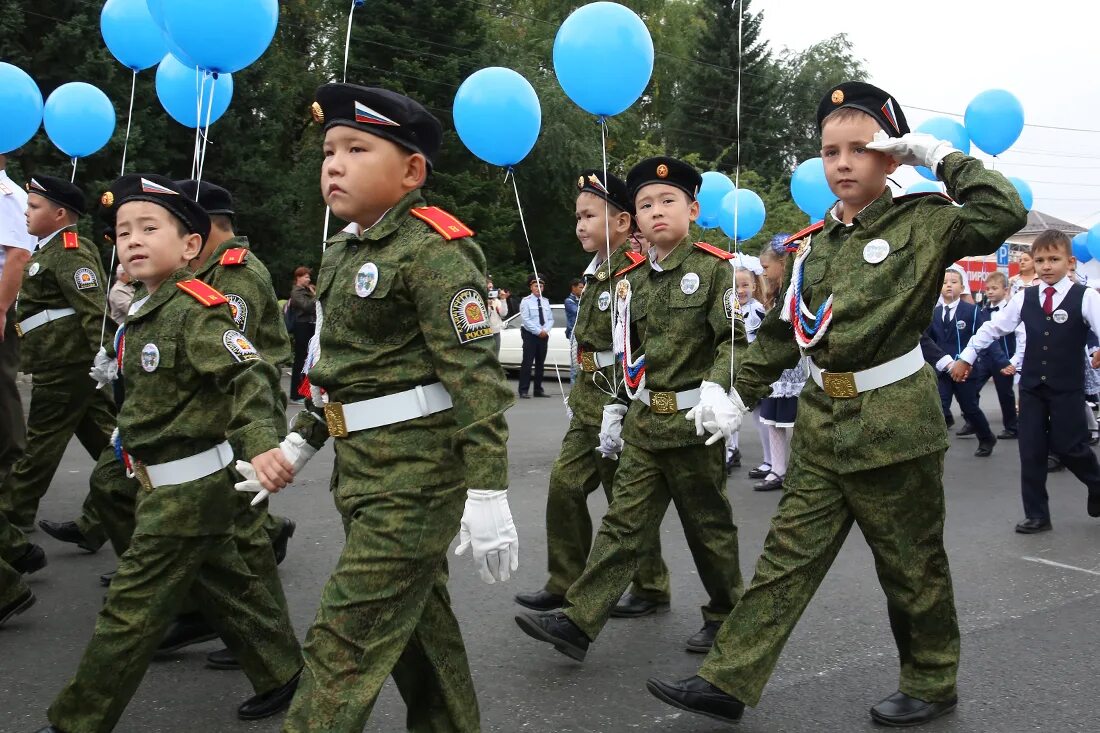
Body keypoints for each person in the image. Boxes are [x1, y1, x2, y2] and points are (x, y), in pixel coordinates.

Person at [645, 81, 1026, 728]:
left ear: (891, 156)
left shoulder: (926, 221)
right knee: (785, 558)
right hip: (824, 423)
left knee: (912, 567)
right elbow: (780, 337)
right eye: (830, 150)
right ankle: (728, 678)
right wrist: (729, 390)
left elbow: (1004, 211)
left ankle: (932, 680)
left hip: (894, 424)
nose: (842, 162)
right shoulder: (813, 245)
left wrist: (934, 154)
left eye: (860, 148)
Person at [235, 83, 515, 732]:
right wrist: (299, 443)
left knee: (342, 642)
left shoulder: (435, 250)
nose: (334, 162)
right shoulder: (339, 256)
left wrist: (489, 487)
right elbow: (340, 374)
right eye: (329, 149)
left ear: (411, 171)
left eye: (357, 148)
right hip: (361, 475)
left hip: (417, 478)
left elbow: (475, 376)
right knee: (421, 638)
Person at [37, 174, 304, 733]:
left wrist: (261, 447)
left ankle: (75, 722)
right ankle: (282, 673)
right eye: (122, 231)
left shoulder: (196, 309)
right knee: (228, 583)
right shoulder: (145, 307)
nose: (131, 240)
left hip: (183, 493)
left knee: (128, 614)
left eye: (149, 228)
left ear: (189, 246)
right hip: (170, 482)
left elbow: (249, 374)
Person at [514, 156, 747, 660]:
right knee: (623, 522)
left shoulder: (714, 270)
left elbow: (734, 342)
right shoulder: (632, 282)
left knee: (708, 527)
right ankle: (579, 623)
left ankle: (727, 612)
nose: (656, 211)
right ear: (635, 220)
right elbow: (627, 354)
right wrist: (617, 407)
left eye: (668, 201)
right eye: (645, 204)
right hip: (644, 422)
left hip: (692, 425)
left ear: (693, 208)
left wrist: (717, 389)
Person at [143, 178, 297, 670]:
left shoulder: (235, 275)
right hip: (211, 412)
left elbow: (236, 361)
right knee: (215, 524)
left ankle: (271, 649)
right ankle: (204, 612)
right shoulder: (204, 270)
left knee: (243, 531)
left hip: (239, 413)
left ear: (203, 226)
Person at [514, 169, 670, 618]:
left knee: (626, 499)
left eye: (589, 215)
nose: (579, 224)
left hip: (621, 402)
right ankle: (564, 581)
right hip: (588, 402)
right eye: (577, 216)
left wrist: (628, 403)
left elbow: (644, 345)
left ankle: (651, 585)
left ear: (623, 222)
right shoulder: (596, 272)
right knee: (565, 485)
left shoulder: (638, 274)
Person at [953, 229, 1100, 534]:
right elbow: (993, 328)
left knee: (1071, 447)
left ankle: (1097, 485)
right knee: (1031, 450)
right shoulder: (1024, 298)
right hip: (1032, 386)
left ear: (1069, 261)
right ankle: (1037, 514)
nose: (1047, 265)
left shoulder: (1085, 297)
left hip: (1067, 387)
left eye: (1054, 259)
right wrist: (967, 356)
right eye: (1041, 259)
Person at [0, 175, 110, 553]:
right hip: (58, 365)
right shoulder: (47, 250)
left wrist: (106, 356)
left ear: (60, 213)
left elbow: (92, 309)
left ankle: (10, 525)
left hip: (68, 368)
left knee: (37, 451)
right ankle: (99, 522)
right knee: (116, 450)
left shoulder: (70, 250)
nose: (26, 213)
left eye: (34, 207)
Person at [924, 268, 1004, 457]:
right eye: (944, 282)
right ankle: (934, 445)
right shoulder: (933, 313)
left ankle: (986, 437)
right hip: (942, 370)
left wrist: (1001, 361)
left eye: (953, 282)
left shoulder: (972, 311)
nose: (949, 285)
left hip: (966, 370)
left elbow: (986, 336)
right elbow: (926, 341)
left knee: (970, 408)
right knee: (939, 406)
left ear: (962, 287)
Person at [0, 152, 34, 489]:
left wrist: (0, 308)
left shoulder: (5, 195)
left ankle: (8, 471)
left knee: (1, 385)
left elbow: (18, 255)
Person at [726, 264, 767, 473]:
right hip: (733, 368)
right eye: (736, 286)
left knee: (760, 416)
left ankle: (770, 460)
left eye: (745, 285)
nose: (740, 290)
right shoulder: (728, 310)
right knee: (731, 410)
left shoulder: (757, 310)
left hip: (751, 368)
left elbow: (765, 338)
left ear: (754, 286)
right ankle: (731, 450)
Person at [974, 271, 1018, 439]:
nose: (990, 292)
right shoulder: (982, 311)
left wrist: (1011, 360)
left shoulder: (1012, 311)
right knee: (972, 389)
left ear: (1006, 290)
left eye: (994, 288)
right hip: (985, 359)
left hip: (1004, 358)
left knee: (1005, 394)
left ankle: (1012, 427)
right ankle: (973, 420)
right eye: (987, 289)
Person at [518, 272, 554, 398]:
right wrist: (539, 331)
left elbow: (550, 319)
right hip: (530, 335)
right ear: (531, 287)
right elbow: (526, 320)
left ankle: (538, 389)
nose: (538, 289)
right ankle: (523, 390)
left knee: (540, 363)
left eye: (541, 286)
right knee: (527, 363)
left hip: (544, 335)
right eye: (535, 286)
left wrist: (546, 330)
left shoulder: (545, 301)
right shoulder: (526, 301)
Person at [287, 265, 316, 402]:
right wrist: (315, 296)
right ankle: (296, 393)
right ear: (298, 277)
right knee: (300, 360)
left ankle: (305, 391)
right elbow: (307, 306)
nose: (308, 279)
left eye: (309, 276)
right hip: (301, 327)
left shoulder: (307, 291)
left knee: (307, 361)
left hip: (310, 326)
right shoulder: (296, 292)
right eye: (306, 276)